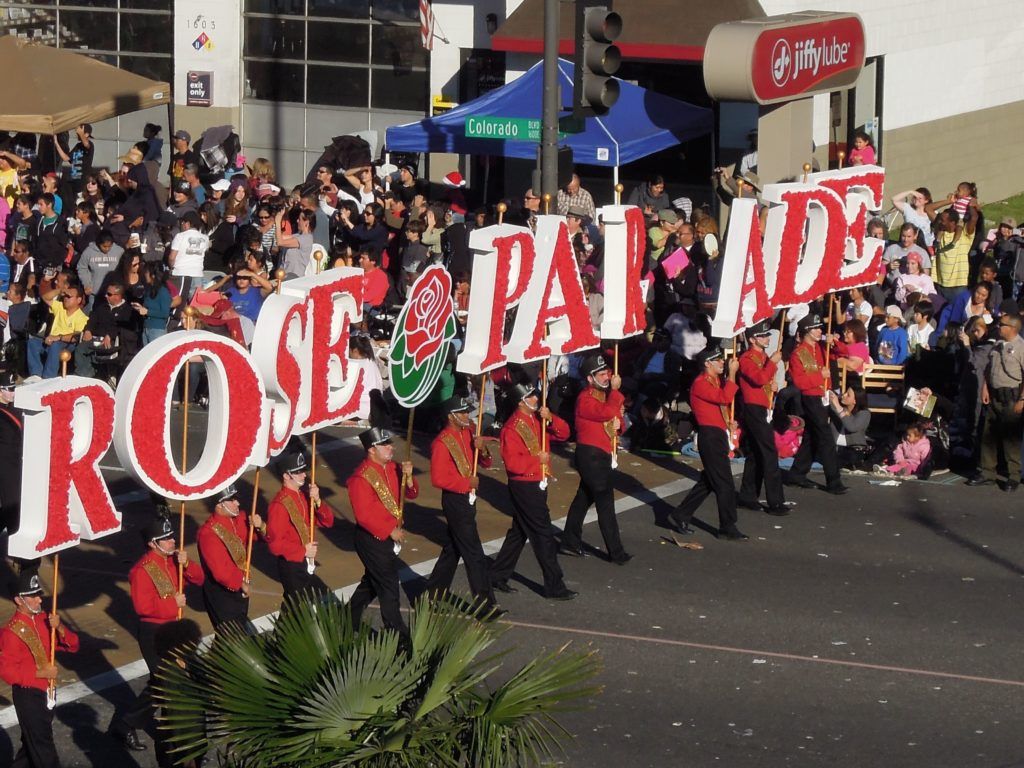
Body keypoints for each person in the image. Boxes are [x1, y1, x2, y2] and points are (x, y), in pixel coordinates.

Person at [110, 516, 203, 752]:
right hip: (155, 633)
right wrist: (174, 603)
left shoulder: (173, 561)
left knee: (161, 683)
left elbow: (199, 579)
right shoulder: (141, 571)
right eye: (167, 539)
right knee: (167, 681)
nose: (173, 542)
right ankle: (173, 732)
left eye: (171, 537)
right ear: (153, 543)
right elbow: (143, 607)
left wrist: (187, 563)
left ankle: (126, 724)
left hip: (174, 629)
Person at [491, 383, 577, 600]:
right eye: (531, 397)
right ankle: (554, 584)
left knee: (519, 532)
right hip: (525, 484)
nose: (536, 399)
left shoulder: (538, 419)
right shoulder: (512, 428)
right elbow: (512, 464)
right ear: (521, 402)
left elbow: (564, 433)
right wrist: (535, 460)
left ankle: (497, 575)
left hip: (538, 481)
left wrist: (552, 418)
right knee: (543, 534)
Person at [423, 397, 498, 611]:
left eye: (467, 412)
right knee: (474, 553)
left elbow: (485, 462)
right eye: (462, 412)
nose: (467, 415)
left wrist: (481, 449)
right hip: (456, 499)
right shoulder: (441, 442)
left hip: (467, 497)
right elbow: (438, 478)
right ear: (451, 416)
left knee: (453, 549)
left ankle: (432, 593)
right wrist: (466, 484)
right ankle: (485, 605)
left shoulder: (467, 432)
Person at [667, 344, 748, 540]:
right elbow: (724, 397)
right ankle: (727, 525)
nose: (723, 362)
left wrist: (727, 421)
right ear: (707, 364)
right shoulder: (701, 383)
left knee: (709, 481)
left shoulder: (714, 380)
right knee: (724, 482)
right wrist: (732, 375)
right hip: (709, 437)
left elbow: (718, 405)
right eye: (718, 360)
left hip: (717, 434)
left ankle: (681, 513)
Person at [0, 571, 80, 768]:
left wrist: (60, 627)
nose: (39, 599)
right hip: (28, 695)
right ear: (19, 600)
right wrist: (39, 674)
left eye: (38, 594)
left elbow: (73, 645)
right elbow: (7, 671)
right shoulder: (11, 632)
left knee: (32, 745)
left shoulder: (45, 619)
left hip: (48, 691)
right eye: (33, 596)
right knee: (43, 747)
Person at [560, 353, 631, 564]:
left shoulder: (604, 396)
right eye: (601, 374)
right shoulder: (585, 398)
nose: (607, 377)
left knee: (583, 499)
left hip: (602, 454)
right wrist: (616, 393)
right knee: (605, 504)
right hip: (591, 456)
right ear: (590, 379)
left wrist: (620, 425)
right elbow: (605, 413)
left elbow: (615, 420)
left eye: (607, 373)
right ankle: (616, 552)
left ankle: (569, 542)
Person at [347, 428, 417, 636]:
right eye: (385, 445)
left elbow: (410, 493)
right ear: (371, 450)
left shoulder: (394, 468)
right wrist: (389, 530)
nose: (391, 447)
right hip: (372, 538)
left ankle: (347, 617)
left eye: (390, 443)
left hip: (387, 537)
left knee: (371, 583)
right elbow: (364, 515)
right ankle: (397, 634)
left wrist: (410, 478)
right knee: (388, 586)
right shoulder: (360, 478)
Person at [785, 314, 849, 495]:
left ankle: (796, 474)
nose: (820, 331)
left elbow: (844, 352)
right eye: (817, 328)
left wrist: (834, 342)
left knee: (811, 437)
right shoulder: (798, 354)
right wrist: (820, 376)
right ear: (807, 331)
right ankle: (833, 480)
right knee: (825, 437)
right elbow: (799, 382)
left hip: (824, 396)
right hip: (811, 398)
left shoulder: (823, 347)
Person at [264, 449, 335, 600]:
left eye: (303, 471)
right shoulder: (279, 505)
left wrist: (317, 500)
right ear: (286, 475)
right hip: (292, 564)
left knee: (295, 608)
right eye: (298, 472)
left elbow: (327, 522)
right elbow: (275, 545)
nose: (304, 475)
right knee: (298, 608)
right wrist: (302, 551)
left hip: (306, 560)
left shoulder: (303, 496)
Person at [736, 320, 788, 516]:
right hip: (753, 409)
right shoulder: (747, 358)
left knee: (756, 454)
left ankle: (747, 496)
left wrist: (772, 386)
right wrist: (772, 364)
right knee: (769, 452)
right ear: (752, 339)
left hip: (764, 407)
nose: (767, 338)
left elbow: (765, 380)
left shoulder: (763, 356)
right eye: (763, 335)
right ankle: (775, 501)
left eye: (767, 335)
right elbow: (758, 378)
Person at [967, 314, 1024, 490]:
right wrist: (985, 388)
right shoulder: (997, 345)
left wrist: (1022, 399)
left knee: (1010, 438)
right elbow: (989, 369)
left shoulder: (1021, 347)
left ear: (1012, 328)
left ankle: (1013, 475)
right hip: (994, 394)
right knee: (987, 435)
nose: (999, 327)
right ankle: (987, 472)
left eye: (1002, 325)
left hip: (1012, 396)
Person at [197, 484, 264, 633]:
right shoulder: (208, 534)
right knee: (232, 634)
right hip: (222, 592)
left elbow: (257, 537)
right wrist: (239, 583)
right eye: (232, 500)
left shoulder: (239, 519)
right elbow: (220, 571)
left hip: (241, 586)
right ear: (219, 505)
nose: (237, 503)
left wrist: (260, 526)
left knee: (236, 630)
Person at [26, 282, 88, 379]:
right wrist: (60, 290)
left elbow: (76, 337)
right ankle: (35, 375)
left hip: (66, 344)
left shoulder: (82, 317)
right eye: (65, 296)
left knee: (55, 345)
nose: (66, 298)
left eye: (69, 296)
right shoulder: (60, 307)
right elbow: (45, 297)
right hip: (51, 340)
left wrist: (57, 337)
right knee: (32, 342)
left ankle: (49, 377)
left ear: (78, 300)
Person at [0, 372, 24, 539]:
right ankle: (25, 562)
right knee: (12, 506)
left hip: (18, 463)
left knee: (15, 507)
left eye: (14, 388)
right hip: (5, 466)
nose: (13, 393)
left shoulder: (16, 407)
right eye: (9, 389)